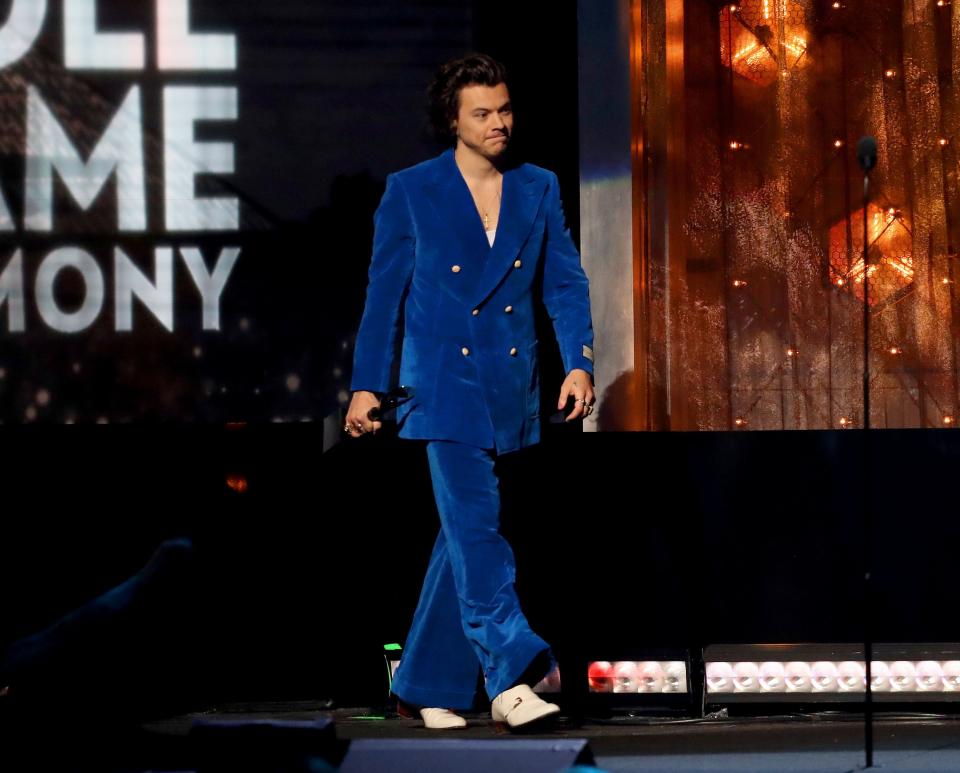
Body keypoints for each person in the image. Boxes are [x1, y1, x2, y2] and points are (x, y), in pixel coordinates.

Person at [345, 53, 595, 731]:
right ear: (452, 121)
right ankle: (510, 676)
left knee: (461, 536)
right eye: (482, 112)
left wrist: (579, 362)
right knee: (479, 528)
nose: (499, 123)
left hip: (511, 385)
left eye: (505, 109)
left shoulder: (537, 186)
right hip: (442, 387)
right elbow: (384, 298)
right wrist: (366, 386)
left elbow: (564, 283)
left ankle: (424, 682)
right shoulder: (411, 190)